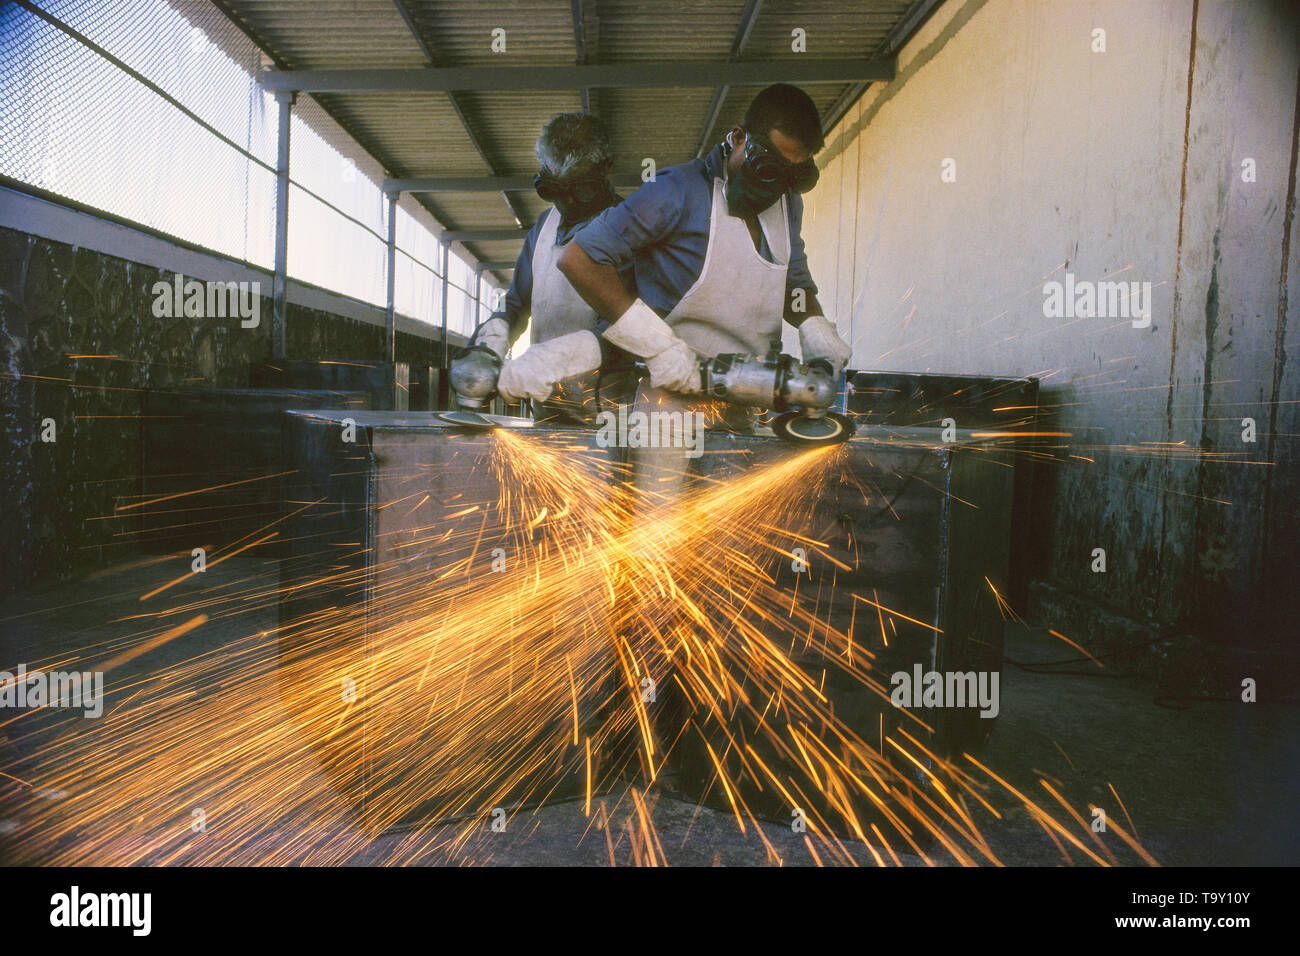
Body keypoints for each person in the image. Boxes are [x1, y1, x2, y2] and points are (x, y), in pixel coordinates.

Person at [450, 111, 634, 423]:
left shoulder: (630, 230)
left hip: (606, 417)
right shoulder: (544, 227)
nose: (568, 204)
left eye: (580, 189)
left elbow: (626, 332)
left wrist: (546, 362)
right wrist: (488, 345)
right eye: (556, 190)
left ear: (607, 166)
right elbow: (516, 303)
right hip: (547, 408)